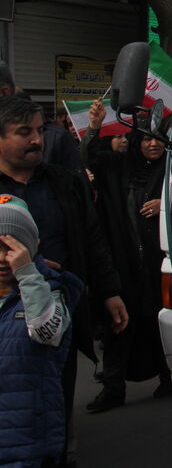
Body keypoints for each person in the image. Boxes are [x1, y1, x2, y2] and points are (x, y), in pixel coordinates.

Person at [0, 96, 127, 464]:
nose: (36, 140)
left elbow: (92, 237)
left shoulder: (64, 182)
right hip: (6, 317)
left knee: (55, 394)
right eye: (24, 132)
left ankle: (58, 453)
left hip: (55, 312)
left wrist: (109, 291)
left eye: (40, 130)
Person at [81, 99, 172, 412]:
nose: (152, 144)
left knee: (157, 320)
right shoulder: (118, 168)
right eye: (146, 139)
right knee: (119, 324)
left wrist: (165, 204)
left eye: (158, 140)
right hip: (122, 261)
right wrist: (94, 127)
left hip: (157, 261)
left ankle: (169, 377)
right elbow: (90, 156)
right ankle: (113, 388)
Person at [0, 195, 84, 468]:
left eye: (11, 248)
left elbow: (47, 332)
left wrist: (27, 273)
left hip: (29, 439)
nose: (2, 258)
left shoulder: (52, 288)